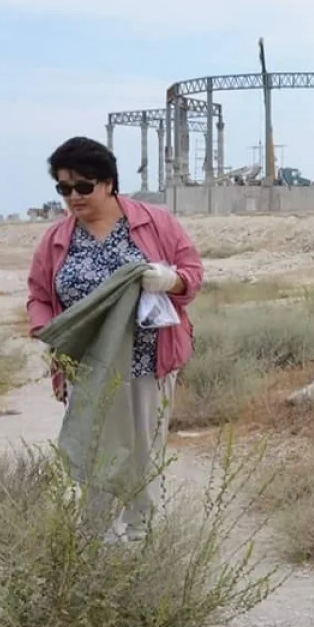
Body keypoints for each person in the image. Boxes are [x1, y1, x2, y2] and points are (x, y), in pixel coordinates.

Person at [27, 136, 204, 543]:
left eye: (83, 187)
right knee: (95, 448)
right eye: (63, 188)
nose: (73, 197)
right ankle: (97, 539)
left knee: (142, 451)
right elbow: (38, 295)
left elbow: (193, 275)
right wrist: (47, 331)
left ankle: (140, 536)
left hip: (147, 363)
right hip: (86, 367)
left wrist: (170, 279)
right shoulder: (57, 239)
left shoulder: (155, 223)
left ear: (108, 183)